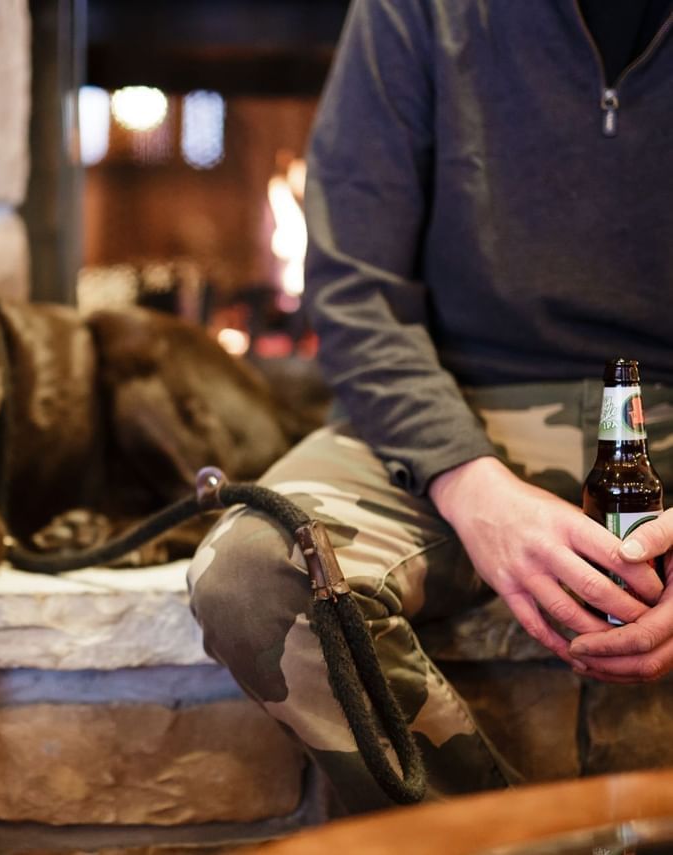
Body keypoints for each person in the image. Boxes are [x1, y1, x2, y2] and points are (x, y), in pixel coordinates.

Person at [188, 0, 673, 815]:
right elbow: (352, 287)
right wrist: (466, 480)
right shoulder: (414, 11)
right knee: (250, 574)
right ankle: (501, 839)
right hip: (454, 404)